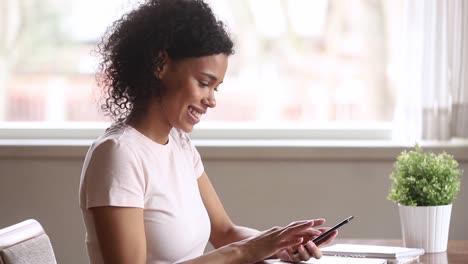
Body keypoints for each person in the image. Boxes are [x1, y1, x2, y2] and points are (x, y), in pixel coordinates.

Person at [79, 0, 337, 263]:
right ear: (159, 64)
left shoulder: (179, 145)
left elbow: (225, 232)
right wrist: (246, 251)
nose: (211, 100)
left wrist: (281, 243)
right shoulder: (119, 155)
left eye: (216, 88)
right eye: (204, 83)